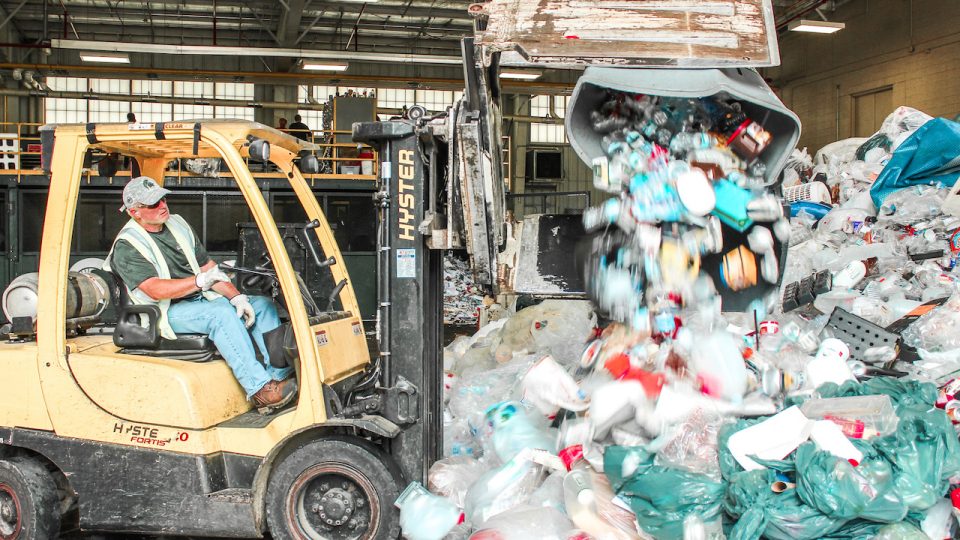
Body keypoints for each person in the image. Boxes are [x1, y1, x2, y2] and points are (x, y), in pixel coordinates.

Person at [104, 176, 297, 410]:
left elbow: (208, 269)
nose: (163, 205)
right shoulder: (128, 245)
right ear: (135, 212)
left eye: (162, 199)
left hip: (199, 299)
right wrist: (199, 282)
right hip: (163, 312)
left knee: (263, 305)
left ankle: (278, 377)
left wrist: (236, 296)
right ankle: (259, 389)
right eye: (153, 204)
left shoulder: (178, 224)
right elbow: (154, 289)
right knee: (220, 313)